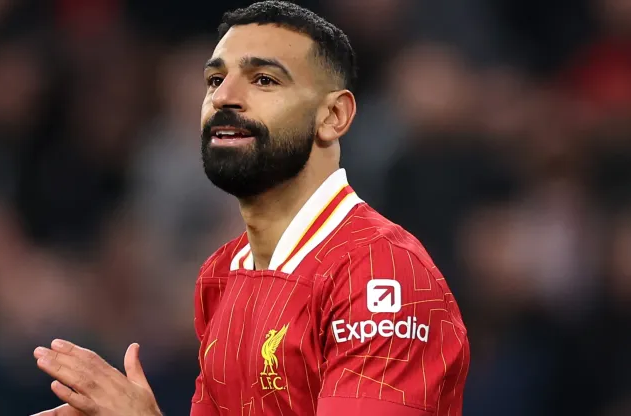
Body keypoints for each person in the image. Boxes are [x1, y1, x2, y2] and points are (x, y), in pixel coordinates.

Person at [31, 2, 470, 415]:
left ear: (333, 115)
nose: (224, 97)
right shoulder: (221, 275)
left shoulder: (383, 273)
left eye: (264, 80)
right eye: (214, 80)